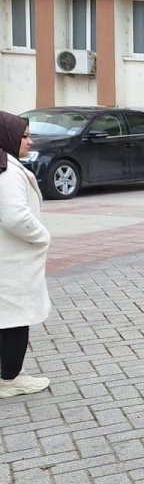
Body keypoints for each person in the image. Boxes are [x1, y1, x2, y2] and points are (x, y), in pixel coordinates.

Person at [0, 112, 52, 399]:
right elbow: (15, 217)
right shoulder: (7, 172)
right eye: (24, 136)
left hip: (7, 257)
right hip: (12, 261)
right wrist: (42, 235)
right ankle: (10, 379)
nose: (30, 142)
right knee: (15, 320)